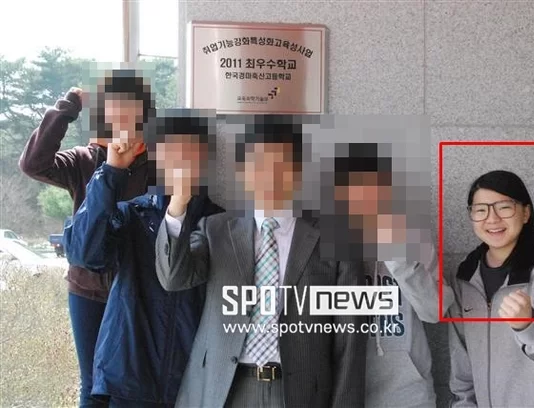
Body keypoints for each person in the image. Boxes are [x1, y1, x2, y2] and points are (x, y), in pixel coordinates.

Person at [155, 115, 367, 408]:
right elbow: (173, 278)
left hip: (299, 393)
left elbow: (349, 340)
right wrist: (178, 204)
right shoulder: (216, 230)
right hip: (224, 390)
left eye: (282, 165)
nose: (271, 176)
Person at [64, 111, 224, 407]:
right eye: (171, 150)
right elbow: (83, 254)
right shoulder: (132, 214)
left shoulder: (220, 224)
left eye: (191, 151)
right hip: (129, 381)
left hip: (193, 386)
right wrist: (112, 170)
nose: (181, 161)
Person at [18, 69, 154, 407]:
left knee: (135, 382)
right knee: (93, 383)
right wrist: (69, 106)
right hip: (89, 288)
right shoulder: (85, 159)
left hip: (139, 288)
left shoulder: (159, 162)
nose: (120, 117)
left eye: (129, 108)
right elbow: (33, 164)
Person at [329, 143, 455, 408]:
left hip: (409, 394)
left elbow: (435, 311)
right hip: (343, 392)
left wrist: (397, 255)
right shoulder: (323, 242)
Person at [448, 170, 534, 407]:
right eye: (480, 210)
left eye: (504, 207)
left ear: (525, 213)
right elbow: (462, 362)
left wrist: (529, 326)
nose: (492, 219)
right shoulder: (464, 277)